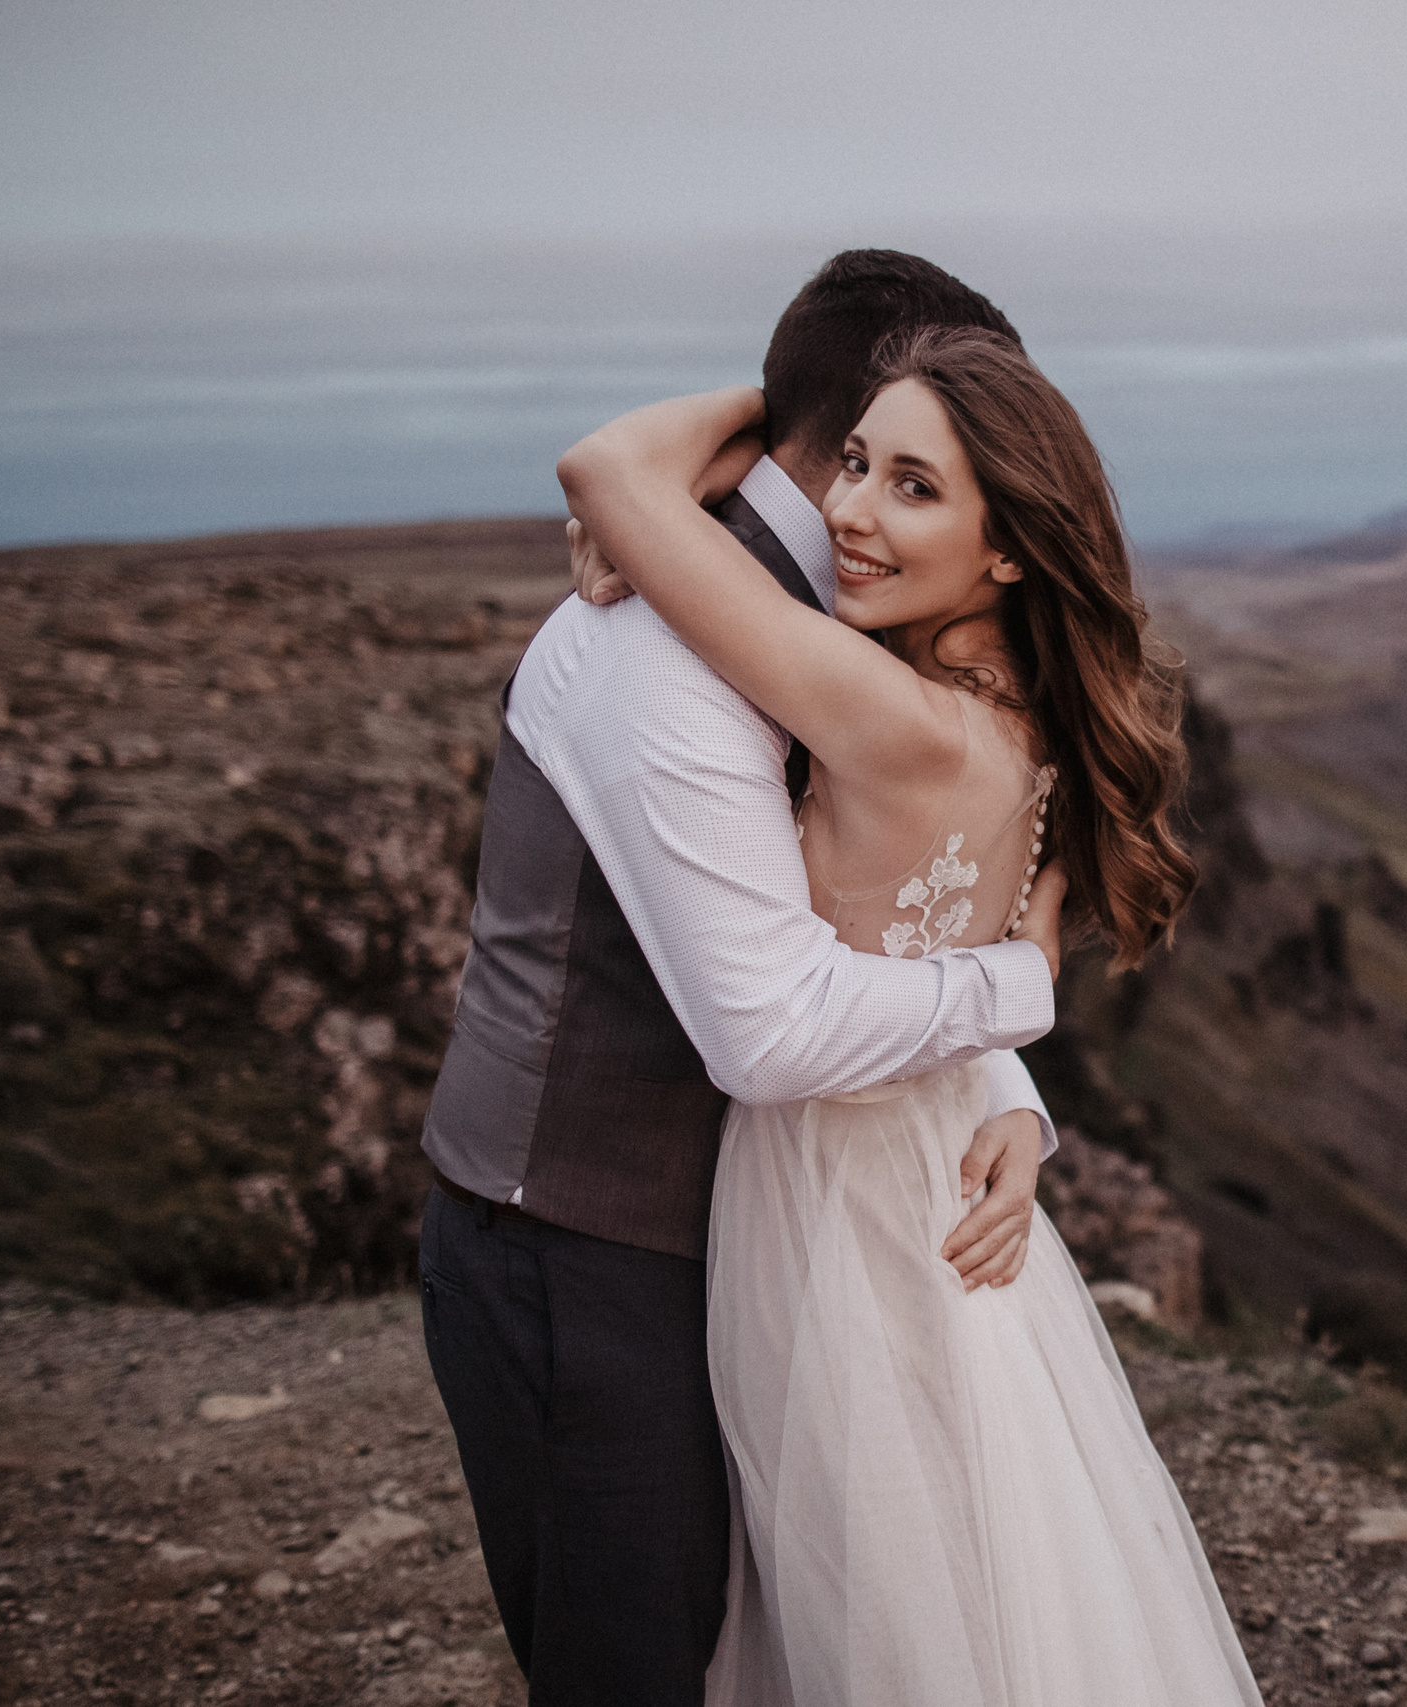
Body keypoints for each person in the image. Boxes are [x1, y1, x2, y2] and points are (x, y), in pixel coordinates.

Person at [560, 326, 1264, 1704]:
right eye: (859, 461)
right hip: (942, 1163)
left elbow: (602, 465)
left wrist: (695, 481)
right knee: (987, 1565)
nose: (851, 512)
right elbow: (968, 960)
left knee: (886, 1600)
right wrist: (1016, 1085)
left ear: (1009, 547)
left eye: (914, 488)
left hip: (832, 1194)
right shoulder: (1022, 719)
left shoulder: (889, 713)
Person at [417, 253, 1070, 1707]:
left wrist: (1011, 1102)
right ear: (840, 429)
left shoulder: (816, 621)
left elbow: (867, 920)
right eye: (874, 456)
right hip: (577, 1255)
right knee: (637, 1670)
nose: (882, 507)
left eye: (928, 478)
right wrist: (1018, 995)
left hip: (754, 1243)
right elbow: (773, 1026)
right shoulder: (668, 648)